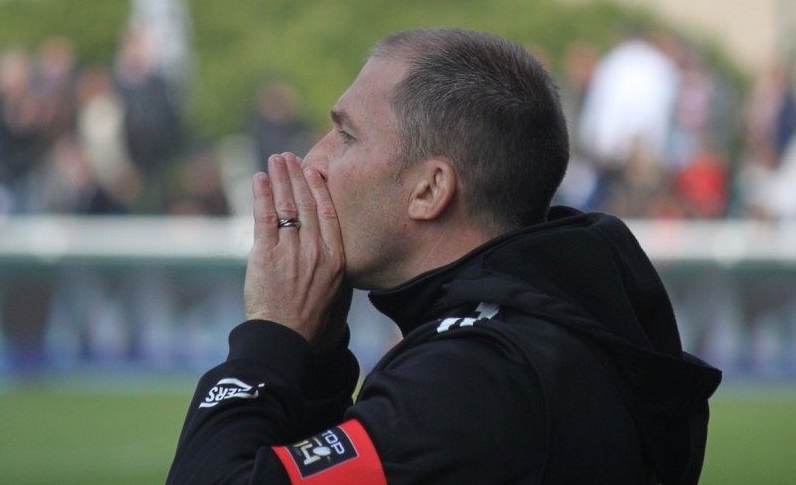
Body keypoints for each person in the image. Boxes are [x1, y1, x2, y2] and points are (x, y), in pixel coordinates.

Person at [167, 28, 721, 484]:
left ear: (430, 190)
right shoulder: (541, 328)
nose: (313, 161)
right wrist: (317, 359)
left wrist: (271, 337)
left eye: (346, 135)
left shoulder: (474, 380)